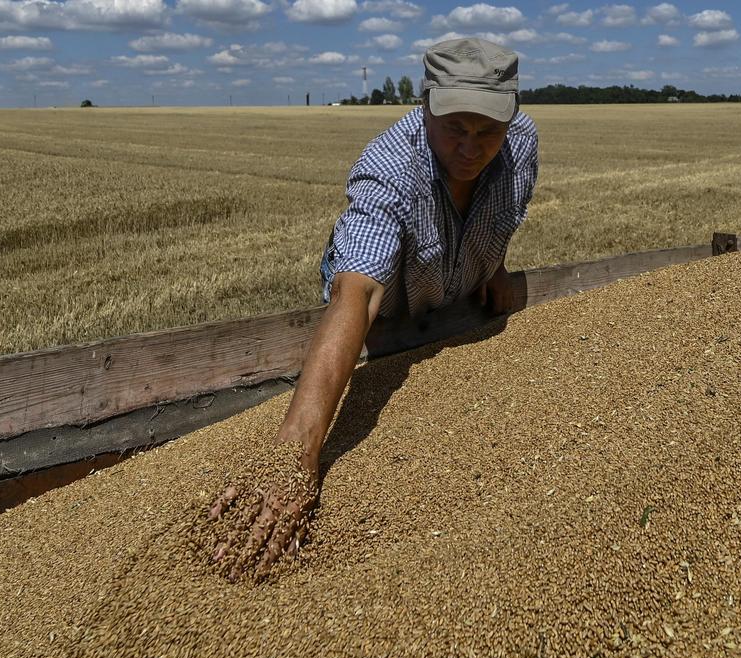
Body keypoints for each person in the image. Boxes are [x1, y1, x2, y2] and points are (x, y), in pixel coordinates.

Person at [210, 37, 538, 569]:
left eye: (488, 132)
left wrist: (497, 265)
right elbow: (357, 295)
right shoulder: (389, 167)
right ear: (426, 102)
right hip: (387, 320)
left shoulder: (521, 145)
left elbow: (506, 211)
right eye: (455, 128)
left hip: (449, 315)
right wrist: (293, 456)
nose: (472, 148)